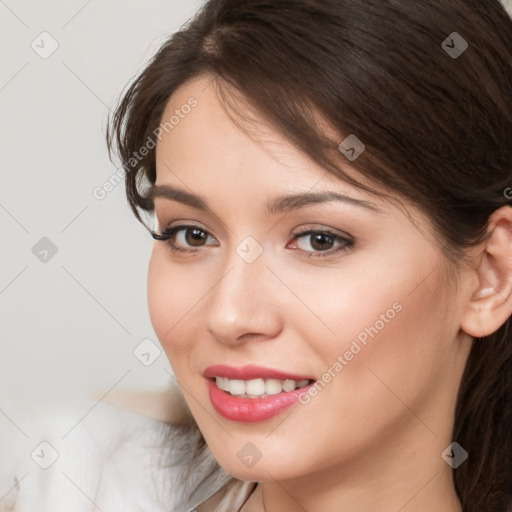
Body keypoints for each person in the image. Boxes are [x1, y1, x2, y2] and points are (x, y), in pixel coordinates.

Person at [2, 1, 512, 511]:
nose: (229, 316)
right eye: (191, 235)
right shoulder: (66, 484)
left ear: (491, 274)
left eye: (319, 240)